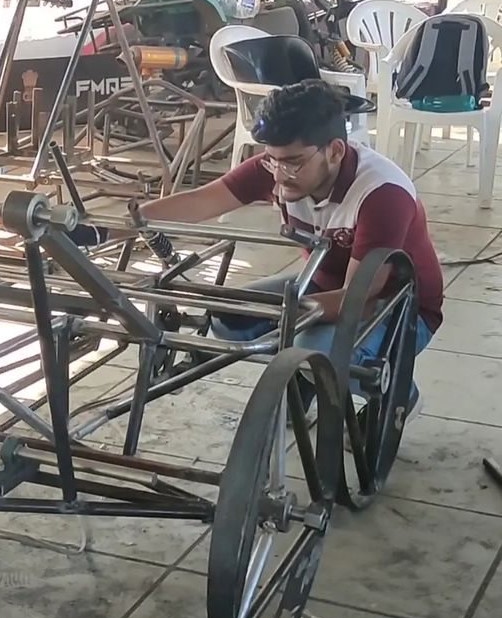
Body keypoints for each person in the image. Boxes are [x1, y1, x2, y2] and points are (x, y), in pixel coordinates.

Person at [73, 78, 444, 415]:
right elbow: (202, 201)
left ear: (334, 151)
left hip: (398, 307)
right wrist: (104, 230)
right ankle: (307, 374)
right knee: (229, 318)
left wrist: (283, 313)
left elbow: (355, 301)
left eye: (293, 163)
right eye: (273, 161)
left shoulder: (381, 195)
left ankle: (397, 393)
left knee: (318, 352)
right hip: (326, 285)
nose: (280, 174)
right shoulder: (277, 167)